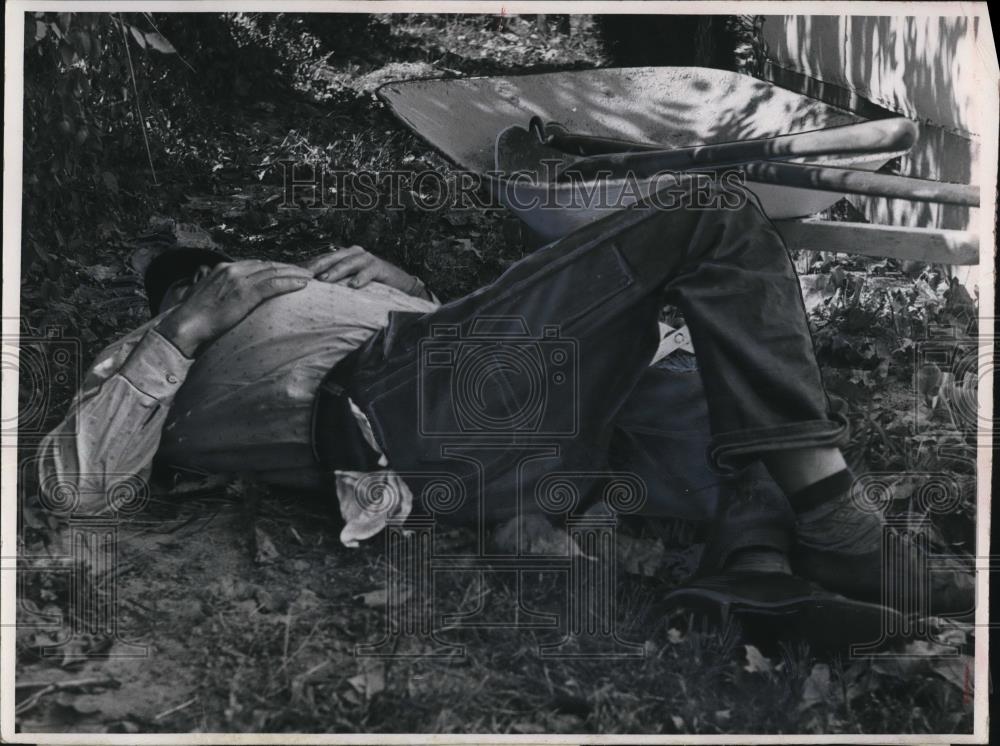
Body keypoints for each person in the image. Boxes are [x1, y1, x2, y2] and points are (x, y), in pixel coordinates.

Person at [36, 178, 971, 617]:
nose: (239, 273)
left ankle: (757, 569)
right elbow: (80, 490)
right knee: (711, 211)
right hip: (396, 418)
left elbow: (529, 339)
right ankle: (833, 532)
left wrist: (406, 293)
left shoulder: (336, 289)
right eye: (208, 273)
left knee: (726, 379)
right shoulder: (152, 349)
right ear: (183, 289)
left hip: (529, 431)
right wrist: (184, 329)